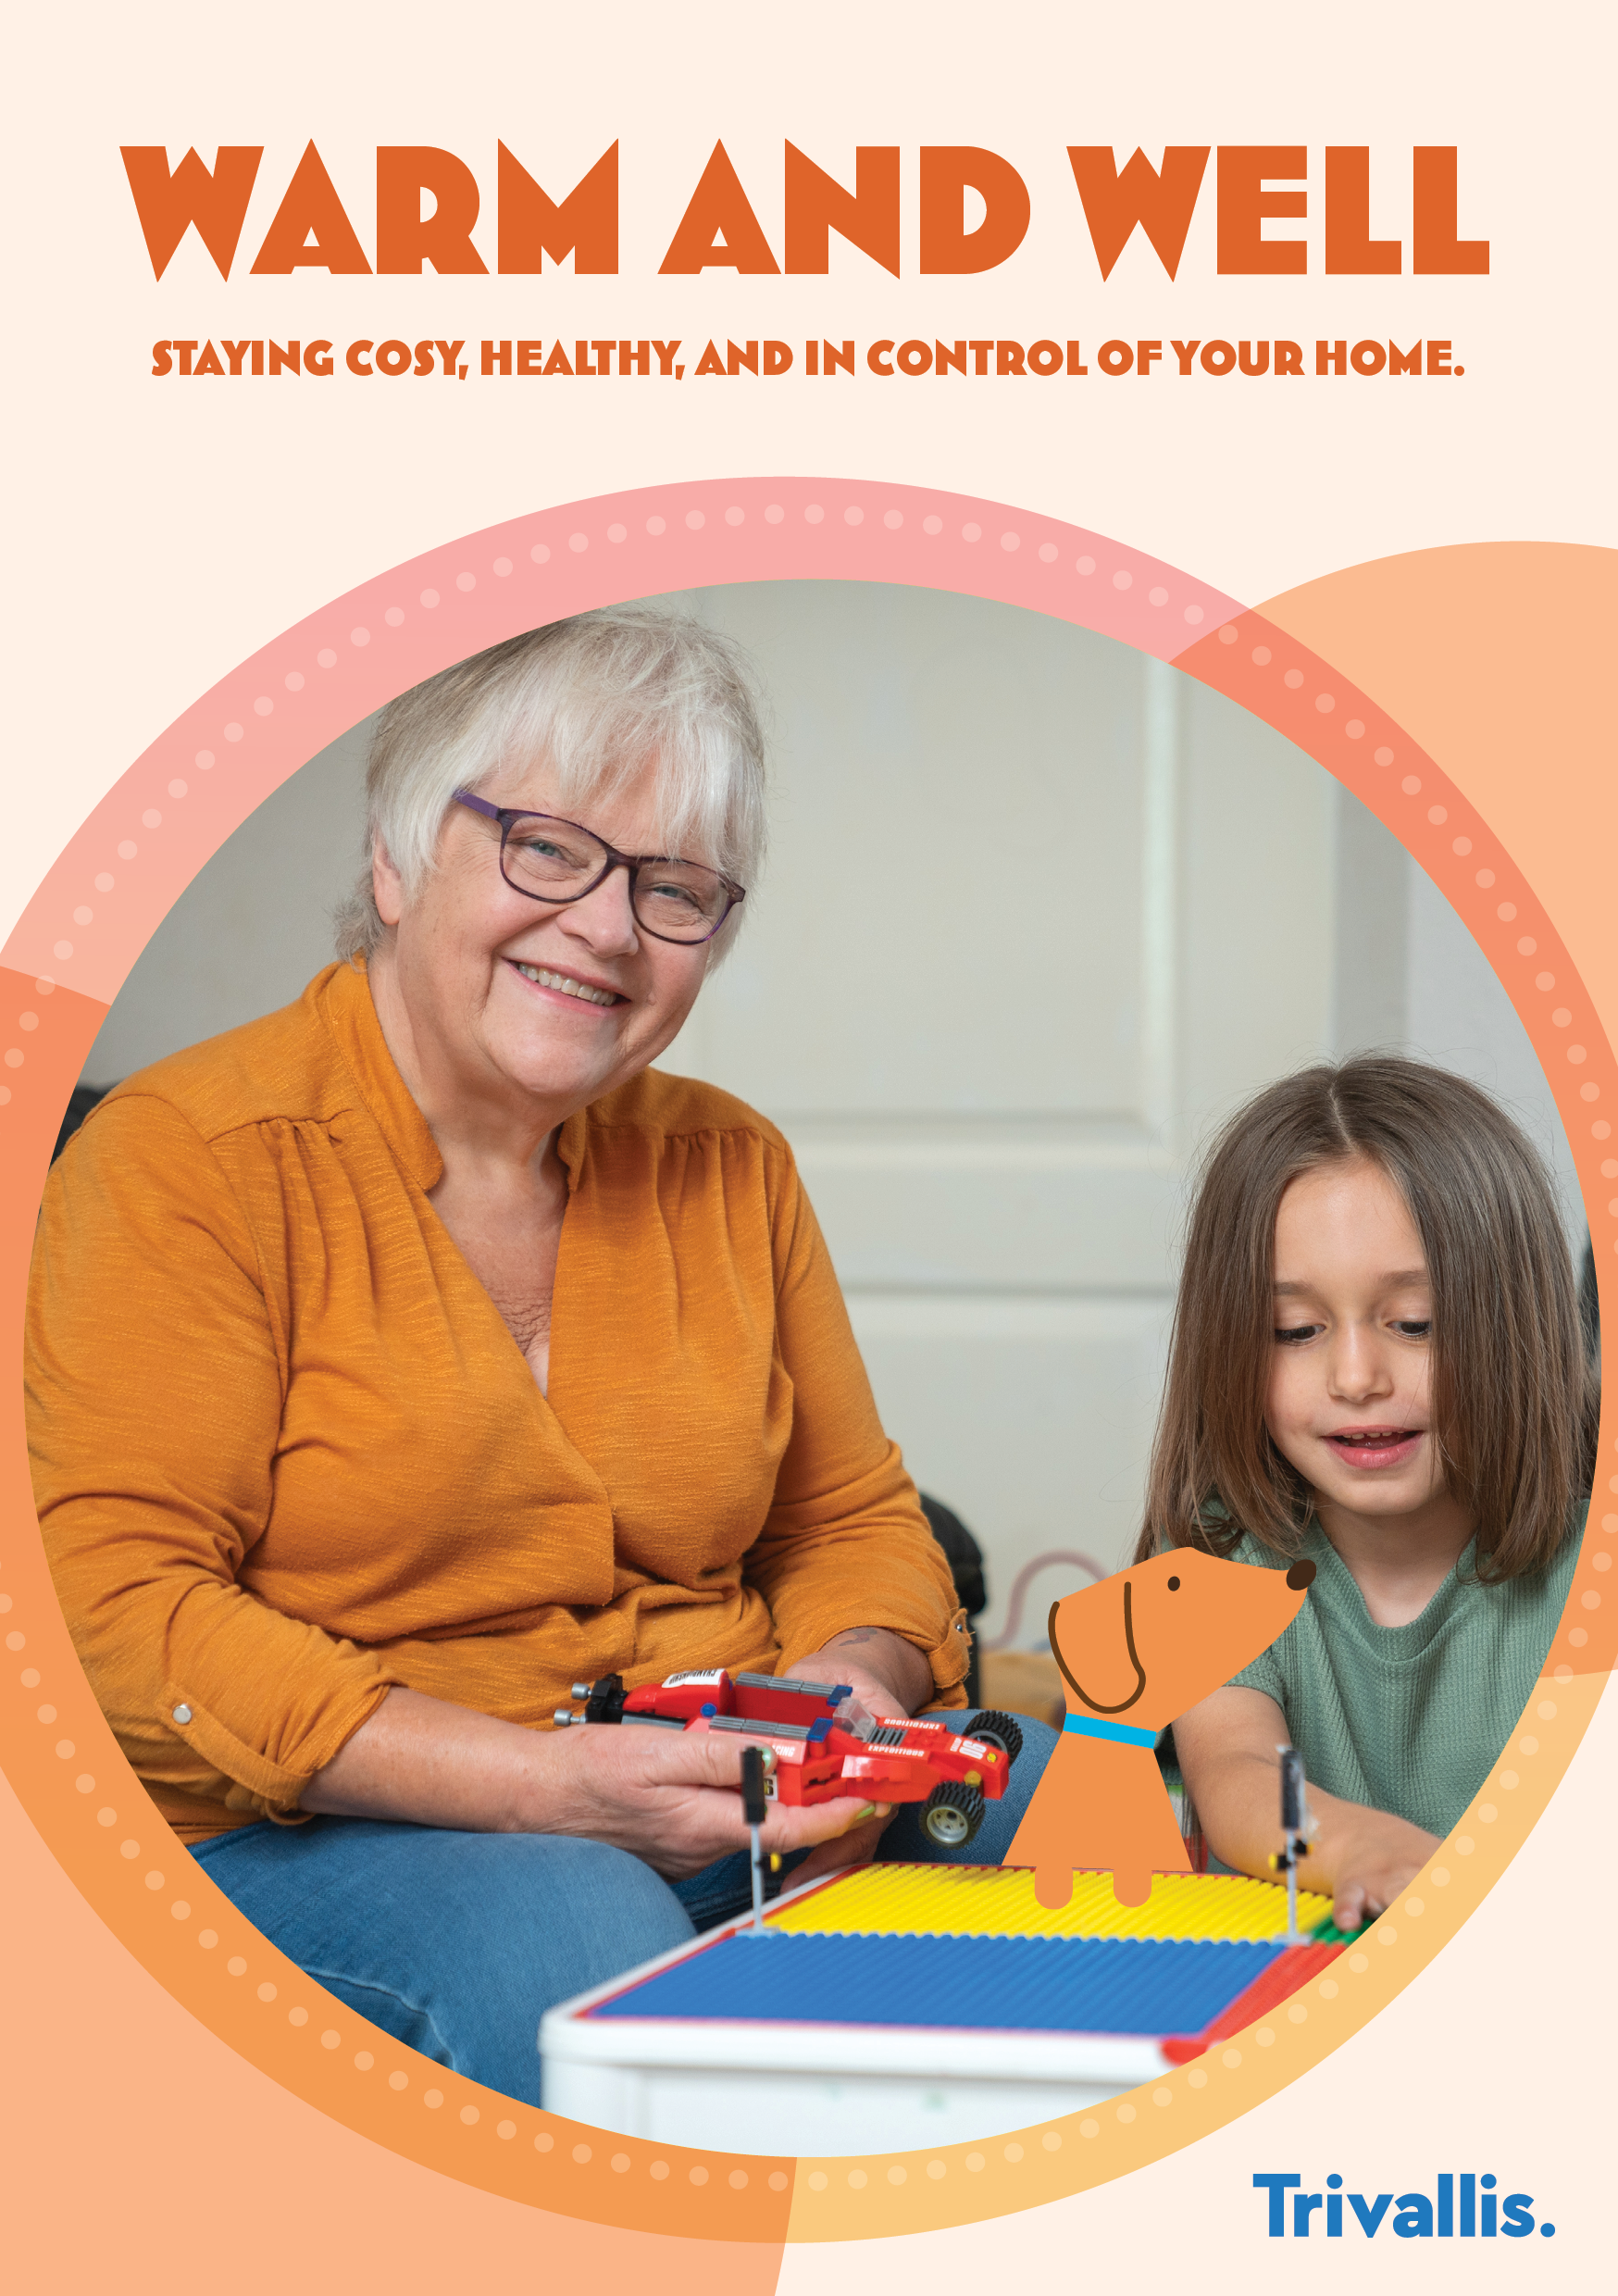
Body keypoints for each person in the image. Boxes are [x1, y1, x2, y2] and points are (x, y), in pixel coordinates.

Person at [28, 607, 1056, 2106]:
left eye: (673, 887)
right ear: (391, 860)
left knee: (1037, 1791)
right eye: (546, 849)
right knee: (579, 1921)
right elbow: (122, 1613)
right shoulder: (181, 1162)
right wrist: (551, 1794)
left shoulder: (732, 1166)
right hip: (306, 1835)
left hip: (710, 1790)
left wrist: (840, 1690)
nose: (607, 928)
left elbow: (848, 1524)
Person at [1139, 1056, 1593, 1932]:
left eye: (1413, 1325)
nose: (1355, 1376)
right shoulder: (1210, 1569)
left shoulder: (1588, 1565)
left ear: (1520, 1319)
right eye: (1295, 1331)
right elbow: (1233, 1771)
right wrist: (1362, 1852)